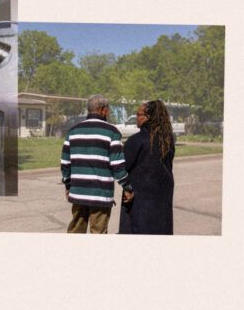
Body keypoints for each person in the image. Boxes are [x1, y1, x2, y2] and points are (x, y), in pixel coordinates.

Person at [61, 94, 134, 233]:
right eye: (108, 109)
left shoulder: (73, 131)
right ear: (103, 110)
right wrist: (127, 187)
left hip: (78, 193)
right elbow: (117, 165)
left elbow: (65, 163)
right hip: (101, 194)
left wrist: (68, 185)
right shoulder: (112, 132)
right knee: (98, 234)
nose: (109, 112)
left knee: (75, 232)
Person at [119, 100, 176, 234]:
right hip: (163, 194)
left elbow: (122, 167)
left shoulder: (136, 140)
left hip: (140, 198)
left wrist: (127, 188)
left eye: (139, 115)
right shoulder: (167, 140)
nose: (136, 119)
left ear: (148, 118)